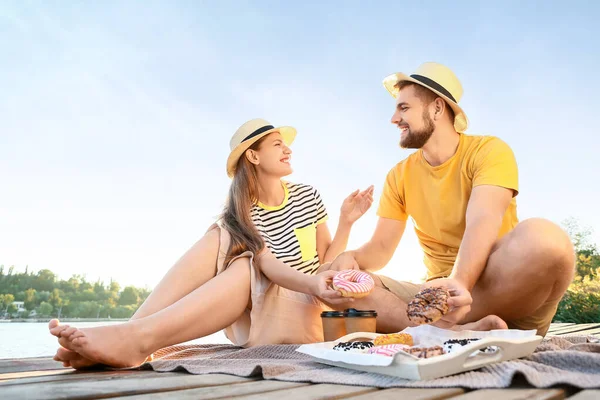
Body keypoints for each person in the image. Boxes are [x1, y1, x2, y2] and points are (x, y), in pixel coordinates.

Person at [49, 118, 374, 368]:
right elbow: (268, 264)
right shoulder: (244, 213)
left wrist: (346, 221)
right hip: (261, 307)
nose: (287, 149)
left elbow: (326, 263)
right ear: (253, 156)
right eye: (277, 144)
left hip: (304, 304)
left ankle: (133, 338)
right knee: (222, 235)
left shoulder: (308, 195)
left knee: (242, 264)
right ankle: (131, 335)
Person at [321, 62, 575, 336]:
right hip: (433, 296)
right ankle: (463, 331)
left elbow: (482, 220)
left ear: (437, 108)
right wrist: (352, 257)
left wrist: (459, 284)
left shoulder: (489, 151)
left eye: (403, 108)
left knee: (547, 240)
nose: (393, 119)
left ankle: (442, 327)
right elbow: (381, 248)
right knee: (331, 277)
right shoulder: (398, 175)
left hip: (501, 287)